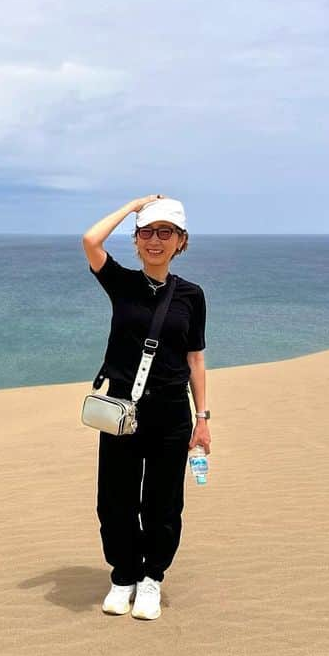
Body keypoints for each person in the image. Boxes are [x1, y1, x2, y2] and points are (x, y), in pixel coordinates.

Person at [81, 195, 210, 620]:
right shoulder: (121, 283)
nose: (155, 240)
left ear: (180, 241)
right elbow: (90, 240)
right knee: (114, 498)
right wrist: (133, 205)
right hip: (121, 408)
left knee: (163, 500)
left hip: (172, 411)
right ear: (136, 240)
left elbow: (195, 359)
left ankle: (152, 577)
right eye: (147, 232)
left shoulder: (192, 296)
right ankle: (124, 575)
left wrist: (203, 418)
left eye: (165, 232)